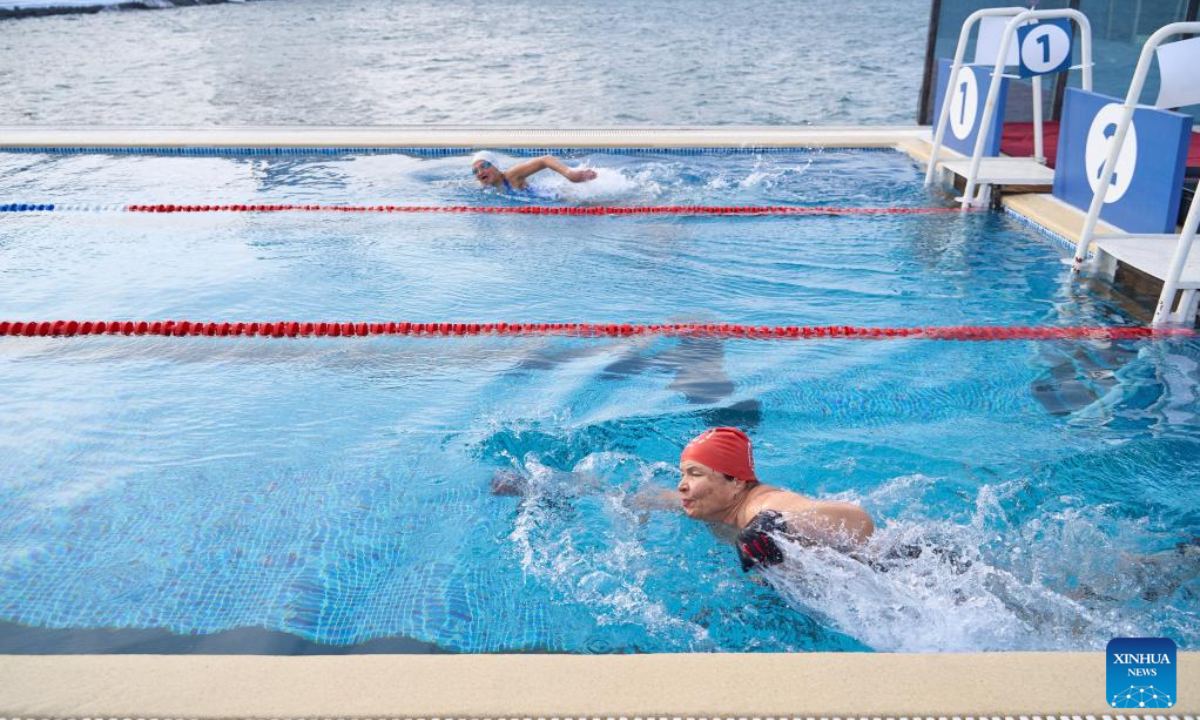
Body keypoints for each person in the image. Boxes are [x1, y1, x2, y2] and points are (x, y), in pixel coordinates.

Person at [675, 427, 874, 571]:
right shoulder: (710, 505)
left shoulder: (760, 504)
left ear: (736, 482)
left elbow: (858, 521)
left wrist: (775, 522)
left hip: (885, 572)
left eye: (695, 474)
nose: (681, 485)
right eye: (683, 474)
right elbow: (667, 499)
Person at [471, 150, 597, 193]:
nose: (480, 172)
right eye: (475, 171)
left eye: (484, 166)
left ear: (495, 166)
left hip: (556, 195)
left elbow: (544, 159)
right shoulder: (484, 187)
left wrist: (570, 174)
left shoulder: (510, 176)